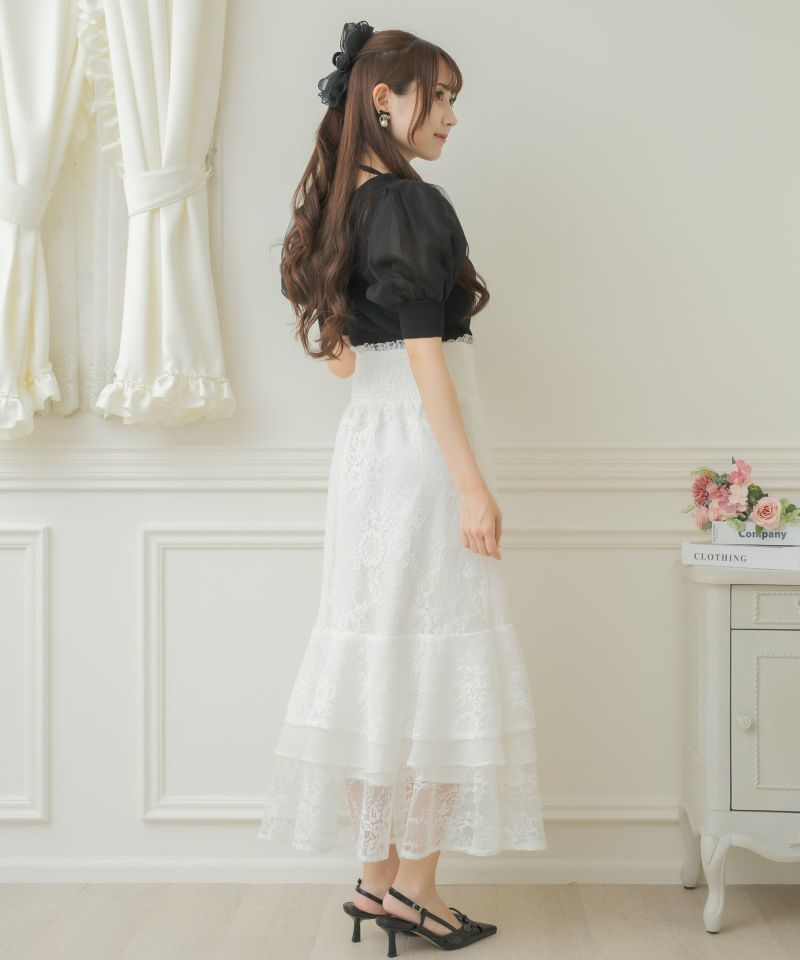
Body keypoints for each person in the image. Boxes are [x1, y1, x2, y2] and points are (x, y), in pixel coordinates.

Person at [258, 21, 547, 954]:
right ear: (384, 99)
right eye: (442, 96)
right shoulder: (411, 206)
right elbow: (425, 357)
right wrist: (471, 485)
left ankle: (377, 879)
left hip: (365, 456)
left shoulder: (338, 205)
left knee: (380, 657)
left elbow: (346, 361)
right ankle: (416, 891)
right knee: (437, 662)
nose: (453, 116)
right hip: (423, 456)